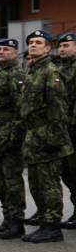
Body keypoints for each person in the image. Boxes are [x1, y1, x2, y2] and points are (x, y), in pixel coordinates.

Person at [19, 30, 73, 242]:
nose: (33, 45)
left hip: (48, 137)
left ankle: (53, 226)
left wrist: (55, 140)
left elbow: (58, 109)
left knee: (49, 184)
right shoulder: (32, 71)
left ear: (47, 48)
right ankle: (44, 221)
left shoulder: (51, 72)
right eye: (31, 42)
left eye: (38, 42)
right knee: (35, 183)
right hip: (34, 137)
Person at [0, 39, 27, 239]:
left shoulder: (16, 74)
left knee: (12, 181)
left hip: (9, 134)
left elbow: (20, 110)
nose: (1, 52)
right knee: (1, 181)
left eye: (6, 49)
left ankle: (17, 221)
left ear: (15, 52)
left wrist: (15, 137)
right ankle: (7, 218)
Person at [56, 32, 76, 228]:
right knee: (68, 173)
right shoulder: (60, 69)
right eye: (60, 46)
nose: (62, 49)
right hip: (63, 130)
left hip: (73, 128)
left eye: (67, 45)